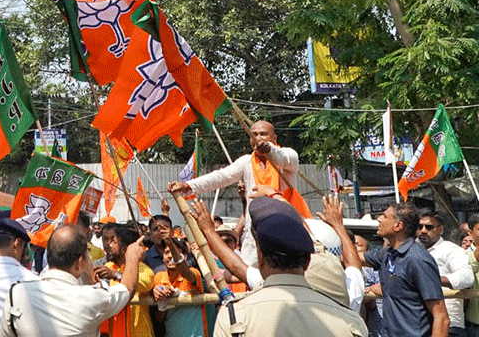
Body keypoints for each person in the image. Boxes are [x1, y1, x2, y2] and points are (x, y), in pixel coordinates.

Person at [213, 207, 368, 336]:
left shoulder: (234, 316)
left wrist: (208, 231)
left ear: (260, 260)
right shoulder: (351, 319)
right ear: (307, 261)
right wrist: (338, 226)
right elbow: (354, 266)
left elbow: (237, 268)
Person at [168, 120, 301, 265]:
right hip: (255, 236)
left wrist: (269, 150)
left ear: (274, 138)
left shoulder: (287, 155)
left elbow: (285, 159)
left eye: (263, 134)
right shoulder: (246, 162)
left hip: (285, 230)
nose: (258, 138)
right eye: (254, 134)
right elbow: (221, 177)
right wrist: (188, 185)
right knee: (253, 279)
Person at [0, 225, 147, 337]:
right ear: (78, 263)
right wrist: (132, 256)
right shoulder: (91, 298)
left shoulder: (17, 293)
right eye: (88, 258)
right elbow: (127, 288)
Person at [361, 203, 449, 337]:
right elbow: (355, 258)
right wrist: (337, 228)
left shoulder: (418, 259)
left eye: (384, 216)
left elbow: (441, 318)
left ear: (398, 226)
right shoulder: (386, 254)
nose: (379, 219)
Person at [416, 209, 474, 336]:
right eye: (420, 227)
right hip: (419, 324)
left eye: (429, 227)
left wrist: (434, 280)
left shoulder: (450, 250)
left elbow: (467, 277)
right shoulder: (413, 251)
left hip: (449, 325)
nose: (423, 230)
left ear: (441, 229)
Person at [95, 222, 155, 337]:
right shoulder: (108, 267)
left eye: (114, 241)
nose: (109, 245)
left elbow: (142, 284)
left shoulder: (143, 269)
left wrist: (115, 275)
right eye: (106, 239)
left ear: (125, 249)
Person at [152, 238, 208, 337]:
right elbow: (159, 319)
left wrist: (169, 242)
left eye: (175, 252)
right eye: (167, 252)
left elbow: (187, 273)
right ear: (163, 257)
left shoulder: (193, 273)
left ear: (185, 257)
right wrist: (162, 300)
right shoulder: (159, 277)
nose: (170, 256)